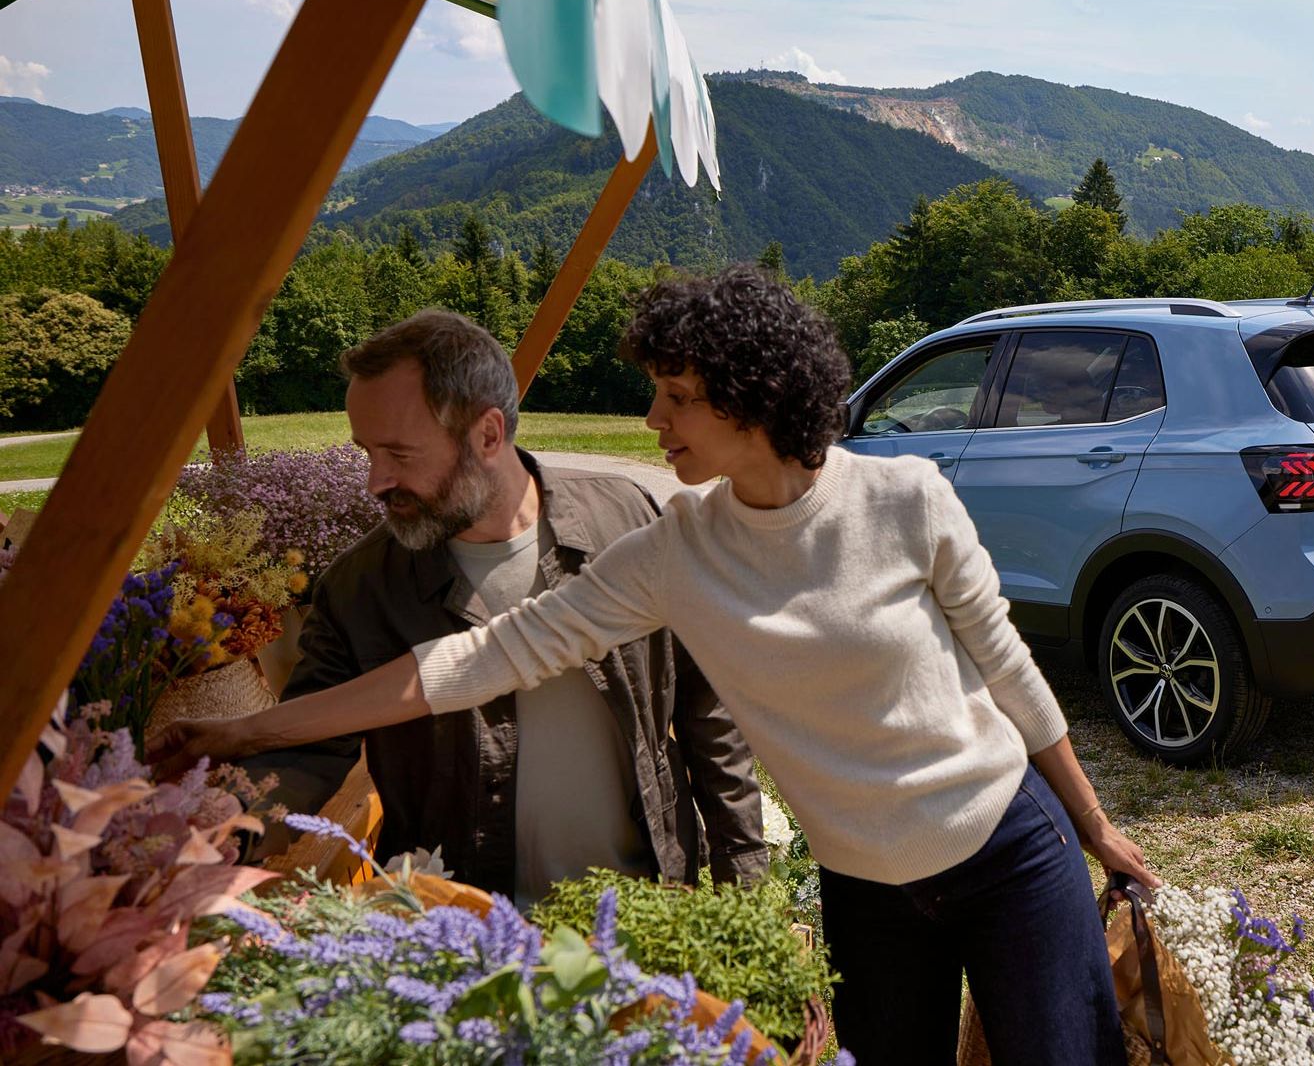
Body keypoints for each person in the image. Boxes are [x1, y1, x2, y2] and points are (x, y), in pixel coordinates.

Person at [154, 268, 1157, 1065]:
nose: (653, 419)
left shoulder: (907, 497)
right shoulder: (675, 554)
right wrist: (244, 732)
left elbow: (1009, 669)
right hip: (867, 895)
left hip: (1006, 850)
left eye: (676, 396)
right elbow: (469, 662)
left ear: (751, 397)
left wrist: (1094, 823)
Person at [238, 309, 766, 903]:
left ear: (488, 435)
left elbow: (707, 707)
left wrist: (742, 874)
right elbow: (303, 746)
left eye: (399, 455)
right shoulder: (361, 587)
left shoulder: (627, 520)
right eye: (367, 453)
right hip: (461, 933)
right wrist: (230, 827)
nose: (375, 482)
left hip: (648, 911)